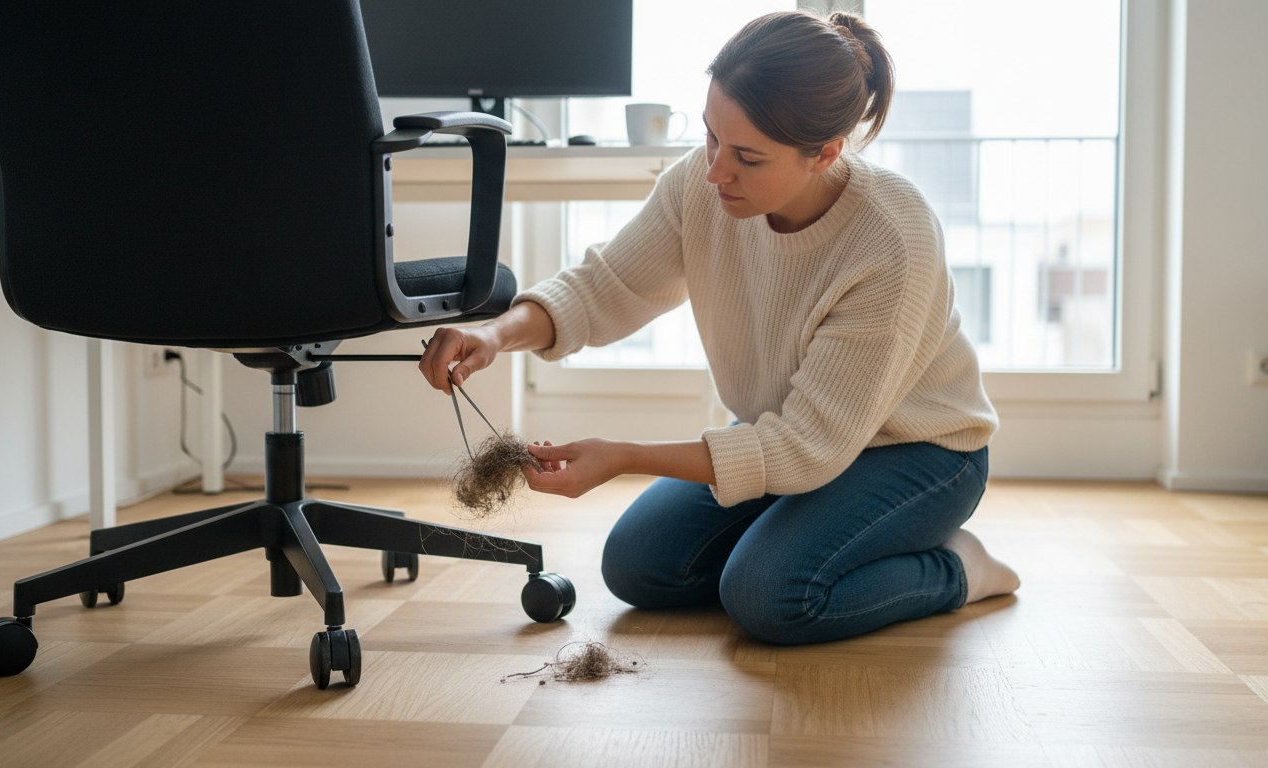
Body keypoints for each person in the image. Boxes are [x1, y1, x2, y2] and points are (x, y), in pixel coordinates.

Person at [419, 10, 1019, 645]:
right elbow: (604, 286)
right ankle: (826, 540)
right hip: (788, 437)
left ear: (825, 154)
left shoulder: (891, 239)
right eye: (710, 138)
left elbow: (804, 449)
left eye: (747, 158)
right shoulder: (699, 188)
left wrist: (622, 456)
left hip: (918, 454)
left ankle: (957, 567)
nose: (714, 172)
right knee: (637, 566)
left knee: (768, 597)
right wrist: (494, 335)